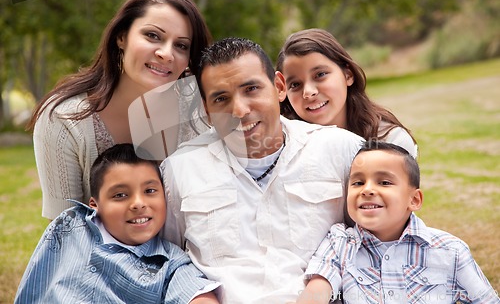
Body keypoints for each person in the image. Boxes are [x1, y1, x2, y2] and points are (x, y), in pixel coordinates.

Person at [160, 37, 365, 303]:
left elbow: (379, 240)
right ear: (207, 111)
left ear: (279, 87)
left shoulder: (341, 150)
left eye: (251, 89)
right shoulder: (180, 169)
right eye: (221, 99)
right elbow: (168, 258)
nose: (240, 110)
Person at [26, 0, 212, 220]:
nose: (167, 53)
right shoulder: (64, 120)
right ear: (121, 37)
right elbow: (65, 232)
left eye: (181, 45)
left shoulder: (200, 113)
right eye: (153, 36)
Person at [296, 141, 499, 304]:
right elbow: (317, 289)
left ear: (414, 200)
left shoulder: (450, 250)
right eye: (358, 183)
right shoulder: (339, 242)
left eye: (384, 182)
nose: (367, 190)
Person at [15, 143, 220, 303]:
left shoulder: (170, 263)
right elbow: (36, 280)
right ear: (95, 204)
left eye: (149, 191)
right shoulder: (69, 225)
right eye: (120, 195)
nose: (138, 204)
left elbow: (194, 292)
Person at [275, 28, 418, 158]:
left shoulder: (391, 141)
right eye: (295, 84)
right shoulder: (281, 148)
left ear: (348, 75)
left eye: (320, 75)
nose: (308, 92)